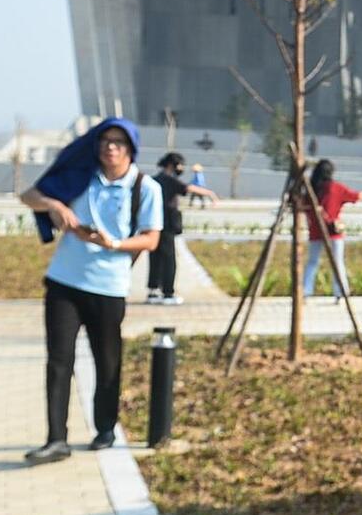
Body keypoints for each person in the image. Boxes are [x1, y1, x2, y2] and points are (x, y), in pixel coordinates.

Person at [18, 120, 162, 464]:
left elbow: (151, 239)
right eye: (105, 141)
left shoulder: (145, 187)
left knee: (107, 360)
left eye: (118, 142)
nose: (110, 148)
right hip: (64, 282)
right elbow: (28, 196)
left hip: (108, 287)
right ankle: (56, 439)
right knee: (58, 361)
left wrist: (114, 244)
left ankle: (105, 427)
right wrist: (55, 206)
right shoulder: (82, 176)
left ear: (131, 149)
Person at [301, 160, 362, 299]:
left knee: (312, 262)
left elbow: (301, 205)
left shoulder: (311, 189)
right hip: (333, 232)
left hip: (315, 231)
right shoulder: (336, 188)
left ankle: (305, 291)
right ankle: (340, 292)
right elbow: (357, 196)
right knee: (338, 263)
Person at [147, 152, 220, 305]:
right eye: (179, 165)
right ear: (171, 165)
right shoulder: (170, 180)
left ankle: (153, 291)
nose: (181, 168)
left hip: (153, 223)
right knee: (169, 259)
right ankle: (168, 293)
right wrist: (211, 194)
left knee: (155, 258)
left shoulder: (154, 180)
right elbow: (189, 188)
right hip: (167, 224)